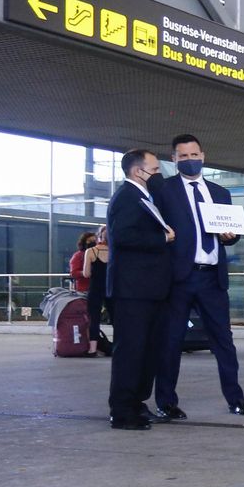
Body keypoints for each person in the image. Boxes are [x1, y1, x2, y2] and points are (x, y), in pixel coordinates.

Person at [154, 134, 244, 419]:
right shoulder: (164, 191)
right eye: (182, 156)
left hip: (212, 278)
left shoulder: (220, 193)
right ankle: (166, 402)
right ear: (173, 159)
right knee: (171, 341)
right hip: (179, 279)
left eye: (193, 154)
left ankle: (236, 399)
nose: (189, 160)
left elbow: (229, 237)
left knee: (223, 341)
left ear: (203, 156)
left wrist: (230, 237)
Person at [106, 149, 174, 431]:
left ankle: (136, 402)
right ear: (138, 172)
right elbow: (123, 236)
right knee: (131, 351)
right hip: (132, 291)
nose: (160, 176)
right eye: (156, 170)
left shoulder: (145, 198)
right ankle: (122, 411)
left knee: (147, 351)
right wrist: (162, 237)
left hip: (149, 289)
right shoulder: (127, 197)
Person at [82, 226, 112, 357]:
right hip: (111, 288)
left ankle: (92, 349)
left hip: (95, 289)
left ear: (98, 236)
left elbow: (86, 273)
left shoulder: (90, 252)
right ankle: (119, 347)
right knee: (116, 318)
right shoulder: (114, 252)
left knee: (94, 319)